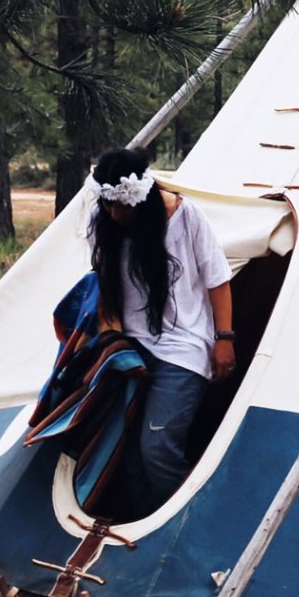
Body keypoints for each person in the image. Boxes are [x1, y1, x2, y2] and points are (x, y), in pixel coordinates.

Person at [88, 146, 235, 518]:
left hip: (183, 346)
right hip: (132, 345)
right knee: (128, 453)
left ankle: (185, 526)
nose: (113, 213)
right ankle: (144, 526)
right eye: (108, 205)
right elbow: (104, 285)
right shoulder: (104, 221)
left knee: (158, 447)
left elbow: (217, 278)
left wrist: (224, 339)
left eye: (120, 205)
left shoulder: (185, 216)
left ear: (140, 197)